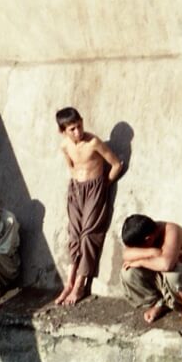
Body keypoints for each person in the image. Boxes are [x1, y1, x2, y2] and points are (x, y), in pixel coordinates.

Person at [54, 107, 124, 306]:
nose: (78, 132)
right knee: (74, 235)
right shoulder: (65, 146)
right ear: (63, 131)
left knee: (88, 235)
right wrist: (76, 187)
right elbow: (71, 167)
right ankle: (69, 283)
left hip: (96, 189)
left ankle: (80, 284)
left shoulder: (93, 143)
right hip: (76, 190)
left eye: (79, 126)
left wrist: (104, 186)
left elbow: (116, 164)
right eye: (72, 129)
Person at [119, 214, 182, 327]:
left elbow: (167, 265)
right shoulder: (144, 231)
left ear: (148, 239)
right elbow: (126, 254)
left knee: (173, 271)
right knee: (128, 272)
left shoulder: (171, 231)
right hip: (170, 286)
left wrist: (141, 262)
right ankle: (160, 303)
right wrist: (152, 252)